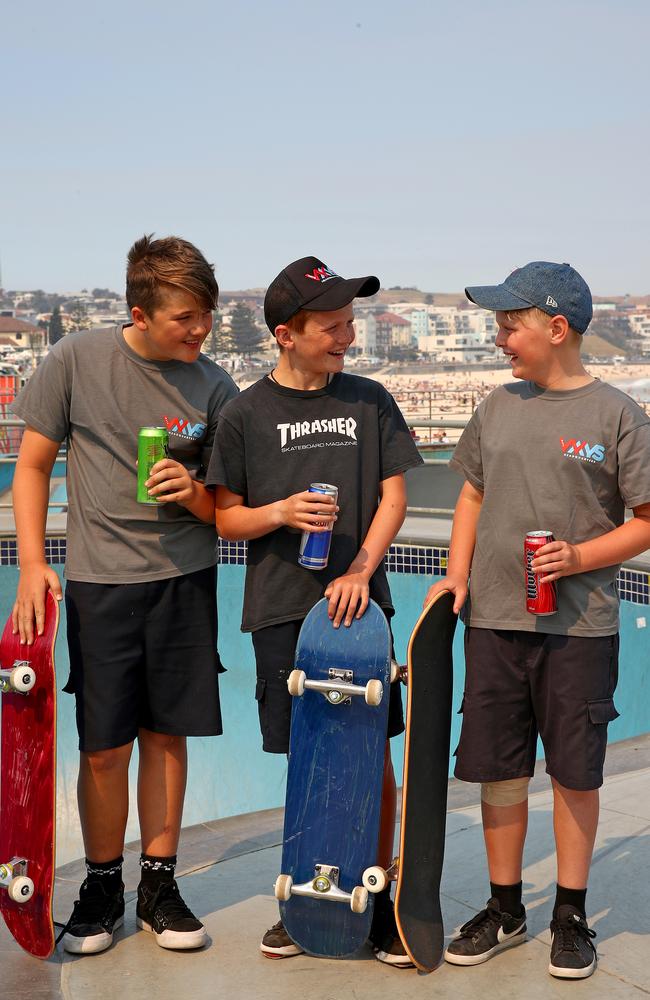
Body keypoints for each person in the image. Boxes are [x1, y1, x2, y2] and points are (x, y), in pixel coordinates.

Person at [11, 235, 238, 955]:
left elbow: (232, 502)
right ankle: (103, 884)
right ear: (139, 312)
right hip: (102, 583)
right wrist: (30, 562)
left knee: (166, 735)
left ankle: (160, 885)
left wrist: (197, 493)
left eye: (205, 316)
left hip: (184, 580)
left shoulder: (215, 386)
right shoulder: (74, 359)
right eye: (185, 319)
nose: (199, 332)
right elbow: (33, 464)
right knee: (105, 746)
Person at [425, 262, 650, 979]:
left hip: (580, 630)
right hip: (493, 623)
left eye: (509, 324)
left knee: (576, 776)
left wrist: (578, 555)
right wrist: (457, 578)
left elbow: (646, 521)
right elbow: (469, 497)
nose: (499, 337)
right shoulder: (495, 407)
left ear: (556, 329)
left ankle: (571, 914)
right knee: (499, 772)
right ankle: (504, 907)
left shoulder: (618, 415)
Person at [208, 255, 422, 965]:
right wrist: (281, 512)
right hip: (281, 609)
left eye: (350, 323)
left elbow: (394, 497)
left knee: (374, 758)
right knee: (309, 759)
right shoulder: (244, 414)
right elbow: (225, 521)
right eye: (331, 326)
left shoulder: (369, 400)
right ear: (284, 334)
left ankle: (381, 895)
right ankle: (305, 895)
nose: (346, 338)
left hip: (362, 610)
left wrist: (361, 569)